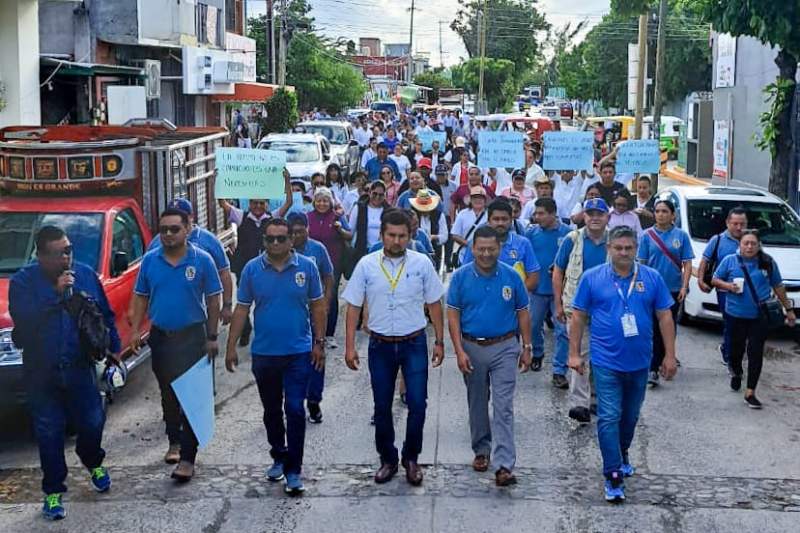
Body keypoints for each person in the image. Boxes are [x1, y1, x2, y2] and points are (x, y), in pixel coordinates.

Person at [9, 226, 121, 520]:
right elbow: (24, 319)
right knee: (48, 433)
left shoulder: (84, 275)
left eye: (69, 250)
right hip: (41, 373)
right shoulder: (23, 282)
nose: (67, 258)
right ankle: (53, 493)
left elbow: (105, 314)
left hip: (79, 369)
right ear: (42, 256)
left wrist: (115, 349)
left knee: (92, 423)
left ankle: (92, 459)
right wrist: (56, 294)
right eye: (60, 253)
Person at [569, 225, 678, 503]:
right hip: (606, 362)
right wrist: (573, 353)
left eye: (629, 248)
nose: (624, 252)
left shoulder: (651, 278)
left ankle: (622, 452)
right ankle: (613, 473)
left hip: (640, 362)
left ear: (636, 249)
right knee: (609, 416)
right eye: (618, 248)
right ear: (609, 249)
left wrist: (669, 355)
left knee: (630, 417)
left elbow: (665, 316)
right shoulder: (592, 278)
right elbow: (578, 316)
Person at [343, 209, 446, 486]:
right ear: (382, 234)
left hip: (413, 342)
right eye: (391, 235)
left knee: (417, 403)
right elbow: (352, 306)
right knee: (381, 405)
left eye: (402, 236)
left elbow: (435, 302)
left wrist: (439, 340)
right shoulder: (366, 265)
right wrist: (350, 347)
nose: (397, 241)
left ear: (410, 236)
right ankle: (387, 458)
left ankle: (411, 458)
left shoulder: (422, 263)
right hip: (380, 345)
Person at [225, 218, 326, 495]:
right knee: (272, 411)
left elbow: (318, 306)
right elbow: (242, 309)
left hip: (298, 352)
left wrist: (319, 342)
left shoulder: (307, 267)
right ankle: (278, 455)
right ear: (264, 241)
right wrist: (231, 346)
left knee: (294, 409)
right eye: (271, 239)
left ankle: (294, 469)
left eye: (282, 238)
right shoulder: (251, 270)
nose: (276, 243)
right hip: (265, 354)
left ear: (291, 240)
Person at [129, 208, 222, 482]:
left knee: (192, 398)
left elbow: (214, 300)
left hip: (193, 337)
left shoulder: (202, 260)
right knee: (168, 393)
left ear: (188, 229)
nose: (168, 234)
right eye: (164, 230)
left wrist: (213, 336)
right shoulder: (150, 261)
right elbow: (140, 297)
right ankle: (174, 441)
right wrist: (135, 330)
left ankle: (187, 458)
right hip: (161, 337)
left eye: (174, 229)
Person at [447, 225, 532, 487]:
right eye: (481, 249)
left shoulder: (511, 276)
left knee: (503, 406)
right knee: (477, 401)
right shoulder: (460, 277)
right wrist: (459, 351)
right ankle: (481, 450)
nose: (486, 254)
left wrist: (527, 346)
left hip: (505, 346)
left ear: (500, 249)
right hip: (472, 346)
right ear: (472, 249)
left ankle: (504, 464)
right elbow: (453, 314)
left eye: (491, 249)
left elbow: (523, 311)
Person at [712, 230, 796, 408]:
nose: (749, 247)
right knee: (735, 351)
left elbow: (778, 286)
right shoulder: (730, 261)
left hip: (759, 316)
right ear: (740, 245)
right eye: (746, 243)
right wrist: (728, 286)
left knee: (755, 352)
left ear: (759, 246)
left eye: (753, 243)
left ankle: (750, 392)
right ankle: (736, 371)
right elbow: (715, 279)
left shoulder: (767, 262)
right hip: (735, 315)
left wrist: (788, 309)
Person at [553, 198, 611, 423]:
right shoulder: (572, 239)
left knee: (604, 356)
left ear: (607, 217)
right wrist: (557, 303)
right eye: (590, 214)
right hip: (577, 309)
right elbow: (558, 271)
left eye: (600, 214)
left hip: (607, 310)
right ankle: (579, 403)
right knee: (579, 353)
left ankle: (597, 398)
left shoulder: (615, 240)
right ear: (584, 216)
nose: (595, 218)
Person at [219, 170, 293, 346]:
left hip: (268, 267)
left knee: (268, 300)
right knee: (243, 301)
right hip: (245, 267)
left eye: (261, 203)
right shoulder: (241, 216)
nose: (258, 206)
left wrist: (287, 181)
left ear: (267, 204)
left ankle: (268, 330)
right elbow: (222, 203)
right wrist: (219, 180)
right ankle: (244, 330)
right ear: (249, 203)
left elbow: (288, 203)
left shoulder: (272, 218)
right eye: (254, 203)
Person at [147, 198, 233, 326]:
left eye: (182, 216)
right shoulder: (157, 243)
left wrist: (227, 305)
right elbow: (145, 280)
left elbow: (224, 273)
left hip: (197, 318)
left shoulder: (208, 241)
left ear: (191, 217)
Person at [637, 200, 694, 386]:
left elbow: (687, 263)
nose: (660, 214)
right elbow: (642, 264)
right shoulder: (646, 236)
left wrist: (685, 286)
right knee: (653, 328)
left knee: (668, 328)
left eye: (664, 211)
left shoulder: (681, 236)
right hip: (652, 289)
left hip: (673, 289)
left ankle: (663, 359)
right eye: (658, 211)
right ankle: (653, 368)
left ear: (672, 215)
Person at [287, 212, 335, 424]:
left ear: (308, 229)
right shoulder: (282, 251)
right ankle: (292, 401)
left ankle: (314, 400)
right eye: (293, 232)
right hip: (292, 316)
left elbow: (328, 276)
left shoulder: (318, 249)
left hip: (315, 313)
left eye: (301, 231)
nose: (297, 236)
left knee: (316, 355)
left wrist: (326, 301)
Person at [525, 198, 572, 380]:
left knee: (562, 331)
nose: (537, 217)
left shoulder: (568, 234)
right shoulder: (531, 234)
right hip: (537, 290)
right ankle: (538, 352)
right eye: (535, 213)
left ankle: (559, 370)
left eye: (541, 213)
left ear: (553, 213)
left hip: (560, 292)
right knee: (533, 325)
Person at [697, 207, 748, 366]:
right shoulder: (718, 240)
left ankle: (728, 347)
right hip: (724, 289)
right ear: (727, 223)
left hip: (746, 291)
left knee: (743, 323)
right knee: (730, 321)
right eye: (735, 224)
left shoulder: (750, 240)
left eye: (742, 224)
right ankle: (729, 357)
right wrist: (700, 279)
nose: (739, 228)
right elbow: (704, 261)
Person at [307, 187, 353, 348]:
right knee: (312, 297)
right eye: (319, 200)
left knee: (330, 297)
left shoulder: (337, 216)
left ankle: (329, 334)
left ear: (330, 202)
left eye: (325, 200)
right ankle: (312, 332)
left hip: (334, 263)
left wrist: (340, 229)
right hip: (311, 264)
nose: (322, 203)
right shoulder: (308, 217)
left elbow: (350, 235)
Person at [462, 199, 540, 292]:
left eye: (504, 219)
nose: (500, 223)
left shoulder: (523, 243)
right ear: (488, 221)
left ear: (511, 220)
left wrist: (513, 296)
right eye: (496, 219)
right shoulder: (474, 244)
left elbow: (533, 278)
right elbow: (465, 276)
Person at [350, 180, 389, 259]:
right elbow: (351, 231)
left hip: (382, 252)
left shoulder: (389, 210)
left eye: (381, 195)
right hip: (362, 251)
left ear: (385, 196)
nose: (377, 197)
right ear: (369, 193)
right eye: (375, 194)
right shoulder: (359, 208)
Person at [451, 186, 489, 265]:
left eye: (480, 198)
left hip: (486, 253)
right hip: (465, 253)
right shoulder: (463, 214)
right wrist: (469, 244)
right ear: (470, 200)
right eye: (475, 198)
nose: (478, 200)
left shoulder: (490, 215)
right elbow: (454, 234)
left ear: (485, 200)